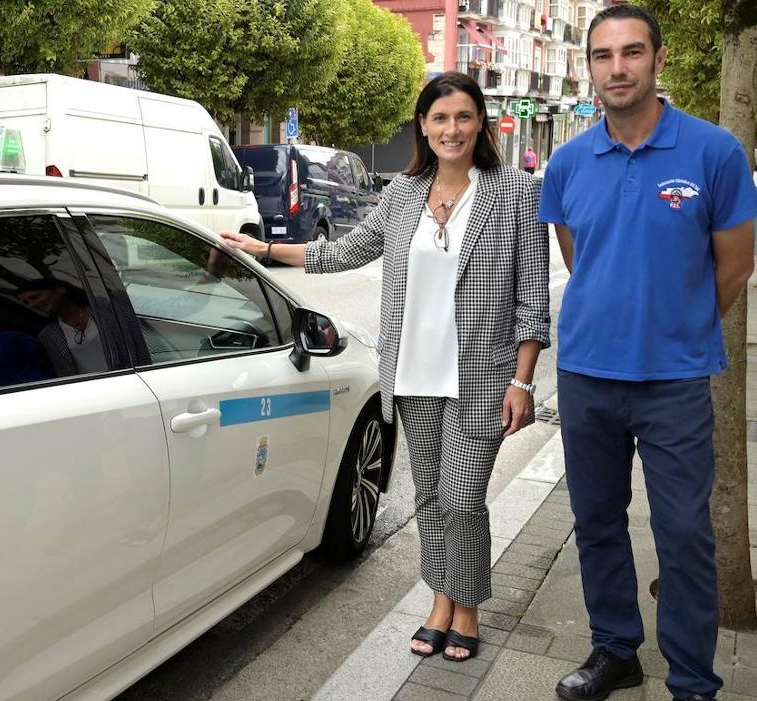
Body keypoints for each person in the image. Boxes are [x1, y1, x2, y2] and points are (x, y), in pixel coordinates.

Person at [221, 72, 551, 663]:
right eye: (440, 118)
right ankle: (441, 599)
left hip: (481, 376)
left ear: (481, 123)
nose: (452, 129)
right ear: (423, 126)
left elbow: (532, 297)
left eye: (463, 117)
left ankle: (467, 605)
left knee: (462, 499)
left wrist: (522, 381)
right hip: (411, 373)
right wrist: (265, 250)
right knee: (429, 494)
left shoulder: (517, 194)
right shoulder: (402, 193)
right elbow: (348, 250)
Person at [538, 6, 757, 701]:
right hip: (587, 375)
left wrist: (677, 329)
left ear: (657, 58)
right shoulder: (567, 163)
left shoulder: (713, 152)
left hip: (673, 383)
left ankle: (695, 689)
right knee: (596, 521)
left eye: (632, 52)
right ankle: (616, 651)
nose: (618, 67)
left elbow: (734, 267)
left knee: (685, 535)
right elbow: (578, 256)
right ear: (589, 68)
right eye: (603, 56)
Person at [15, 278, 106, 375]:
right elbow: (64, 372)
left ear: (60, 289)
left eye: (34, 297)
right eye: (26, 302)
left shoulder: (105, 308)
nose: (32, 304)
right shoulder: (48, 336)